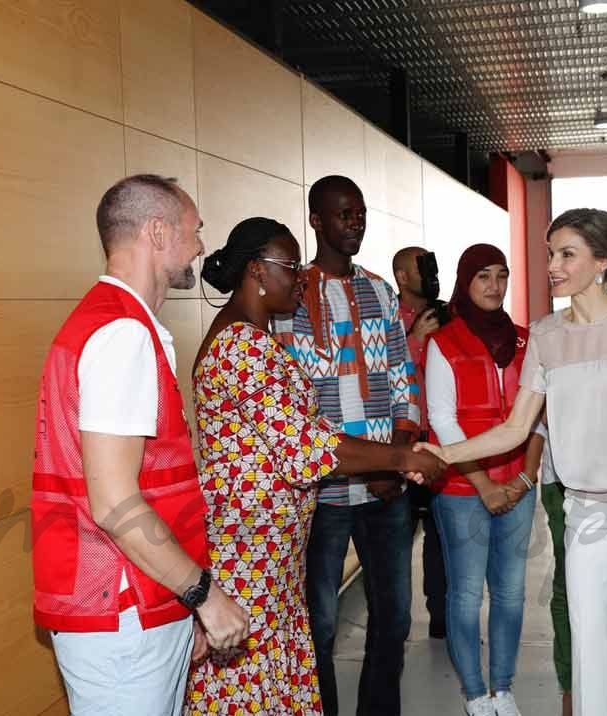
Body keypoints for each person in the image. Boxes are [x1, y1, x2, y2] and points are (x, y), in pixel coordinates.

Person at [417, 212, 607, 716]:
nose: (551, 265)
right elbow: (515, 428)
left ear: (604, 261)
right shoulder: (548, 335)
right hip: (585, 514)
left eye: (566, 254)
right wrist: (443, 454)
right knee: (589, 649)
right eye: (550, 253)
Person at [184, 217, 444, 715]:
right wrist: (399, 456)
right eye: (290, 267)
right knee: (248, 687)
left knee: (274, 678)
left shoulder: (257, 339)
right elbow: (306, 448)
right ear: (258, 271)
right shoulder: (241, 347)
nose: (301, 278)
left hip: (272, 554)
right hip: (247, 557)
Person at [31, 175, 250, 715]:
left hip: (138, 601)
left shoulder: (116, 324)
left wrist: (181, 605)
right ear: (157, 232)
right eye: (194, 231)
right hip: (122, 607)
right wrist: (203, 595)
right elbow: (114, 502)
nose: (200, 246)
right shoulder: (122, 334)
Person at [274, 175, 420, 716]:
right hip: (322, 496)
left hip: (386, 491)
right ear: (316, 219)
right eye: (343, 214)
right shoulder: (290, 298)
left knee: (394, 619)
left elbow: (405, 383)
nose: (354, 222)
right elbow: (287, 405)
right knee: (320, 625)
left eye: (360, 213)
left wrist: (396, 460)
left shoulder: (382, 291)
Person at [424, 244, 541, 716]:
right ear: (465, 283)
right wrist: (485, 485)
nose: (494, 286)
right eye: (483, 277)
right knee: (467, 593)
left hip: (519, 488)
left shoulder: (527, 341)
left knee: (512, 592)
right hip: (460, 491)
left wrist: (525, 480)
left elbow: (539, 419)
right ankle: (474, 693)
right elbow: (442, 421)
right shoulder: (444, 342)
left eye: (501, 275)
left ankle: (503, 688)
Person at [393, 245, 447, 639]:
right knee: (397, 537)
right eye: (422, 268)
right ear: (402, 276)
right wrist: (415, 339)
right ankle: (396, 624)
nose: (431, 274)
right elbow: (382, 374)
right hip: (401, 444)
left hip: (443, 443)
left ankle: (441, 618)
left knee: (443, 535)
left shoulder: (446, 316)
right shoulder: (386, 319)